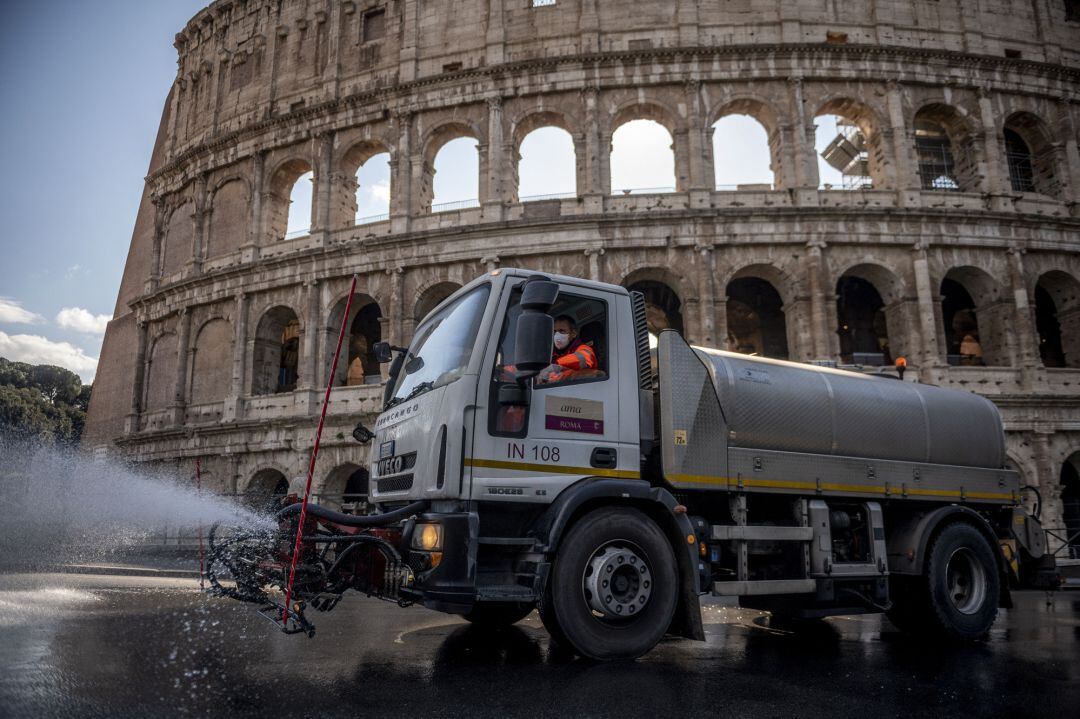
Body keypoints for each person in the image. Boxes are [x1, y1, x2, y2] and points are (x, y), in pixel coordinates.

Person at [537, 315, 598, 384]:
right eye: (554, 331)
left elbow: (583, 358)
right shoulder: (552, 354)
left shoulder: (584, 348)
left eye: (562, 331)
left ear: (573, 334)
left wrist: (555, 365)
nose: (557, 335)